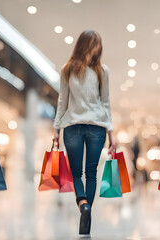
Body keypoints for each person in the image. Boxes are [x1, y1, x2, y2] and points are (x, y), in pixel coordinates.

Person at [53, 30, 116, 235]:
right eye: (95, 44)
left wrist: (56, 130)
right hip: (97, 126)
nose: (97, 48)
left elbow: (62, 102)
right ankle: (87, 209)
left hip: (73, 126)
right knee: (91, 173)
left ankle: (83, 205)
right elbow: (105, 104)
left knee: (76, 172)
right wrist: (111, 132)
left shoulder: (68, 69)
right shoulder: (101, 70)